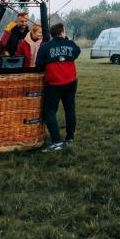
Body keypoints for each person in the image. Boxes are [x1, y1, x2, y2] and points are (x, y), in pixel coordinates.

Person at [37, 22, 80, 151]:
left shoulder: (45, 47)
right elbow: (77, 52)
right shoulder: (70, 44)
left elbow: (38, 64)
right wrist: (66, 41)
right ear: (62, 32)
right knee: (69, 109)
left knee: (50, 111)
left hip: (54, 83)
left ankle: (56, 141)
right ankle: (70, 137)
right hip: (71, 82)